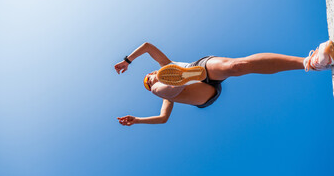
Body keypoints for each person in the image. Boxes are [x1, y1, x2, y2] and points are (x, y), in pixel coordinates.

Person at [115, 41, 334, 126]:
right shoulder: (160, 92)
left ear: (155, 70)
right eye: (147, 81)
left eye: (150, 76)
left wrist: (128, 61)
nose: (150, 78)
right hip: (201, 94)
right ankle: (181, 81)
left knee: (236, 66)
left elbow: (146, 46)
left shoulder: (165, 64)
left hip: (200, 68)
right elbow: (163, 118)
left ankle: (311, 63)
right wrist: (137, 120)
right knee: (161, 91)